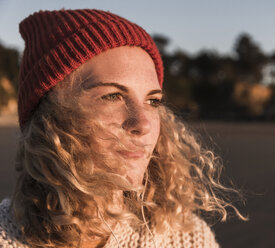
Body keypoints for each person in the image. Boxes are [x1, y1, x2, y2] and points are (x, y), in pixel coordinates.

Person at [0, 9, 245, 248]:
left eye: (153, 101)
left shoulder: (186, 238)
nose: (143, 124)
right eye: (112, 96)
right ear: (48, 115)